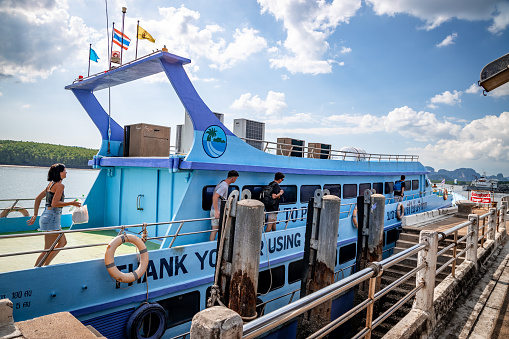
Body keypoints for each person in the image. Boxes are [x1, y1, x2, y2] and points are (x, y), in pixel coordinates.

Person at [27, 164, 81, 266]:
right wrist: (72, 203)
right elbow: (55, 203)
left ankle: (45, 265)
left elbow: (38, 199)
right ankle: (36, 269)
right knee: (47, 249)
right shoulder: (60, 186)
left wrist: (35, 214)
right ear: (60, 173)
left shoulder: (50, 185)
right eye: (65, 171)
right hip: (52, 217)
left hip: (49, 216)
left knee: (62, 242)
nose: (66, 173)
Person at [210, 170, 239, 241]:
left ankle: (211, 245)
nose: (235, 180)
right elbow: (215, 197)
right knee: (222, 230)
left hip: (213, 210)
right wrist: (217, 211)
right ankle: (220, 247)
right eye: (236, 178)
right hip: (218, 211)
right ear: (233, 178)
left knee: (214, 230)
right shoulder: (224, 187)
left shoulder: (221, 183)